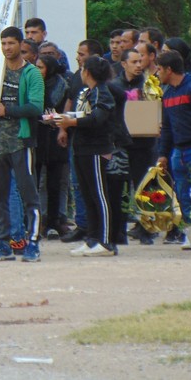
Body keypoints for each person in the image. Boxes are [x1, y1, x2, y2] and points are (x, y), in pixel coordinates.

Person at [0, 26, 45, 263]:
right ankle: (4, 242)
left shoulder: (31, 73)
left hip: (21, 142)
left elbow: (36, 107)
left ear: (20, 44)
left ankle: (33, 242)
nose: (7, 48)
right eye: (3, 44)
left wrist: (8, 111)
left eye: (11, 43)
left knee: (28, 194)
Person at [55, 55, 118, 256]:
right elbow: (83, 115)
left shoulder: (102, 92)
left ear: (88, 72)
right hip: (81, 148)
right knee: (87, 195)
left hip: (96, 149)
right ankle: (92, 238)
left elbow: (97, 118)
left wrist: (71, 123)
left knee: (99, 195)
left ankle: (107, 241)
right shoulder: (86, 92)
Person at [110, 47, 159, 244]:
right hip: (122, 144)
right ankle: (119, 231)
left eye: (140, 62)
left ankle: (147, 229)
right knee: (120, 189)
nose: (138, 66)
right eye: (134, 62)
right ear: (123, 64)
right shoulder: (114, 86)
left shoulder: (149, 84)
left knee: (145, 188)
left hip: (144, 144)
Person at [58, 39, 105, 244]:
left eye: (82, 54)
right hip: (77, 137)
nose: (77, 58)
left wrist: (73, 121)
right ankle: (83, 225)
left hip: (95, 142)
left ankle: (99, 231)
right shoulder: (78, 77)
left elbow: (98, 116)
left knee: (94, 187)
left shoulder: (103, 87)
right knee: (78, 184)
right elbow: (71, 100)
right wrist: (63, 126)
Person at [157, 50, 191, 241]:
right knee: (183, 194)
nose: (157, 73)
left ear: (169, 70)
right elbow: (167, 127)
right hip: (178, 151)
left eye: (159, 69)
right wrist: (162, 154)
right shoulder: (167, 94)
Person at [36, 54, 71, 238]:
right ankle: (37, 221)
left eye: (41, 67)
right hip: (38, 136)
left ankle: (56, 220)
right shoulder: (34, 85)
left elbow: (65, 110)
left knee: (55, 182)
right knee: (35, 181)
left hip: (57, 136)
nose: (38, 71)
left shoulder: (62, 86)